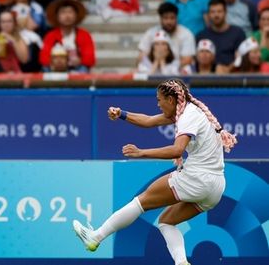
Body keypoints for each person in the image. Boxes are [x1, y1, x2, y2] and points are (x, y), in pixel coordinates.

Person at [74, 79, 236, 265]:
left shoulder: (188, 116)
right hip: (215, 188)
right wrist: (122, 114)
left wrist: (141, 152)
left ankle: (95, 237)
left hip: (197, 178)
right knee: (166, 221)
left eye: (159, 100)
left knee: (140, 202)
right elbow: (149, 121)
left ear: (171, 99)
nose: (157, 104)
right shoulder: (188, 111)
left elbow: (177, 150)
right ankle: (182, 263)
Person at [40, 0, 95, 72]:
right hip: (54, 69)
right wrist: (55, 62)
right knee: (45, 69)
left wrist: (79, 61)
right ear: (57, 16)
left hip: (76, 68)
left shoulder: (84, 35)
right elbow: (43, 58)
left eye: (70, 12)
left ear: (76, 15)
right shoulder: (50, 36)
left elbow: (90, 59)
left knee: (83, 69)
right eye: (63, 12)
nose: (67, 16)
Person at [138, 2, 196, 69]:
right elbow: (141, 57)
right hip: (155, 70)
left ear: (177, 18)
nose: (169, 22)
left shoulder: (186, 34)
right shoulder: (151, 33)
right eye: (165, 18)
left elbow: (187, 60)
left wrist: (168, 70)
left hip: (178, 72)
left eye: (172, 18)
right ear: (160, 18)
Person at [196, 0, 246, 73]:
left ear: (225, 12)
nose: (216, 15)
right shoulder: (202, 35)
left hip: (233, 76)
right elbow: (196, 60)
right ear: (208, 14)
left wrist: (227, 69)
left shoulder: (238, 33)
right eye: (213, 12)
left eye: (219, 11)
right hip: (206, 77)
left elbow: (243, 59)